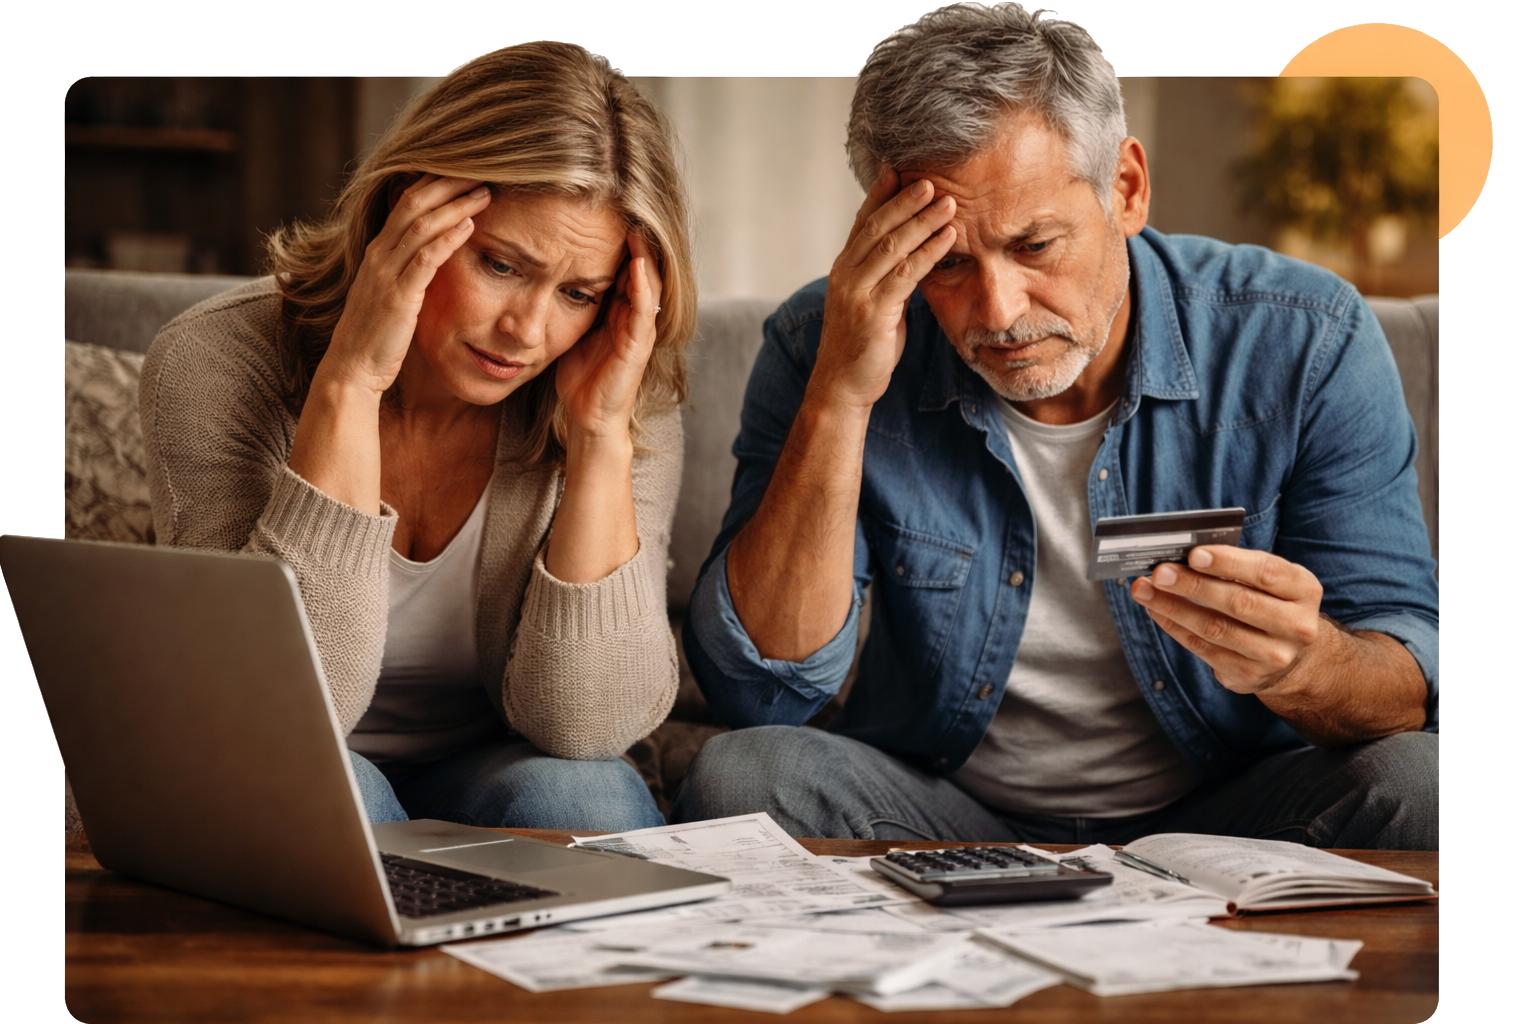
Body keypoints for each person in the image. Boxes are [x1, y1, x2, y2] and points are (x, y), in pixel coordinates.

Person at [674, 5, 1438, 850]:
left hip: (1233, 809)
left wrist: (1306, 665)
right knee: (741, 775)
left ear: (1127, 189)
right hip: (939, 815)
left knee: (1421, 782)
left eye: (1034, 245)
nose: (999, 312)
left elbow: (1408, 675)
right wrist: (840, 395)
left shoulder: (1305, 337)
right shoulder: (822, 342)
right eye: (947, 262)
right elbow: (761, 692)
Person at [141, 43, 695, 831]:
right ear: (408, 211)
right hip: (291, 751)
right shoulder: (217, 359)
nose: (527, 330)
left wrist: (600, 435)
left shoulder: (617, 385)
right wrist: (349, 382)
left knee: (584, 798)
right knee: (334, 796)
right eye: (501, 265)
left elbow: (589, 727)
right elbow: (271, 711)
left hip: (496, 764)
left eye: (577, 293)